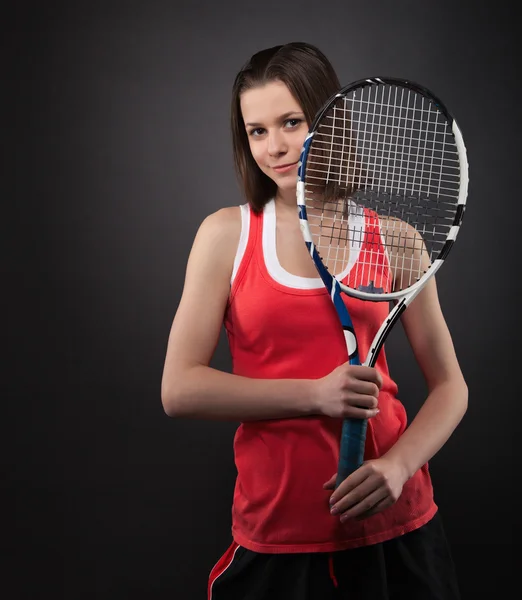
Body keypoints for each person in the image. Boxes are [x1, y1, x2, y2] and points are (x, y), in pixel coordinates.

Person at [161, 42, 468, 600]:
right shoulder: (225, 236)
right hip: (278, 531)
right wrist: (315, 395)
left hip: (397, 529)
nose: (274, 147)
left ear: (330, 119)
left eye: (291, 122)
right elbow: (180, 388)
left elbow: (451, 387)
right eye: (256, 131)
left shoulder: (395, 239)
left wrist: (397, 468)